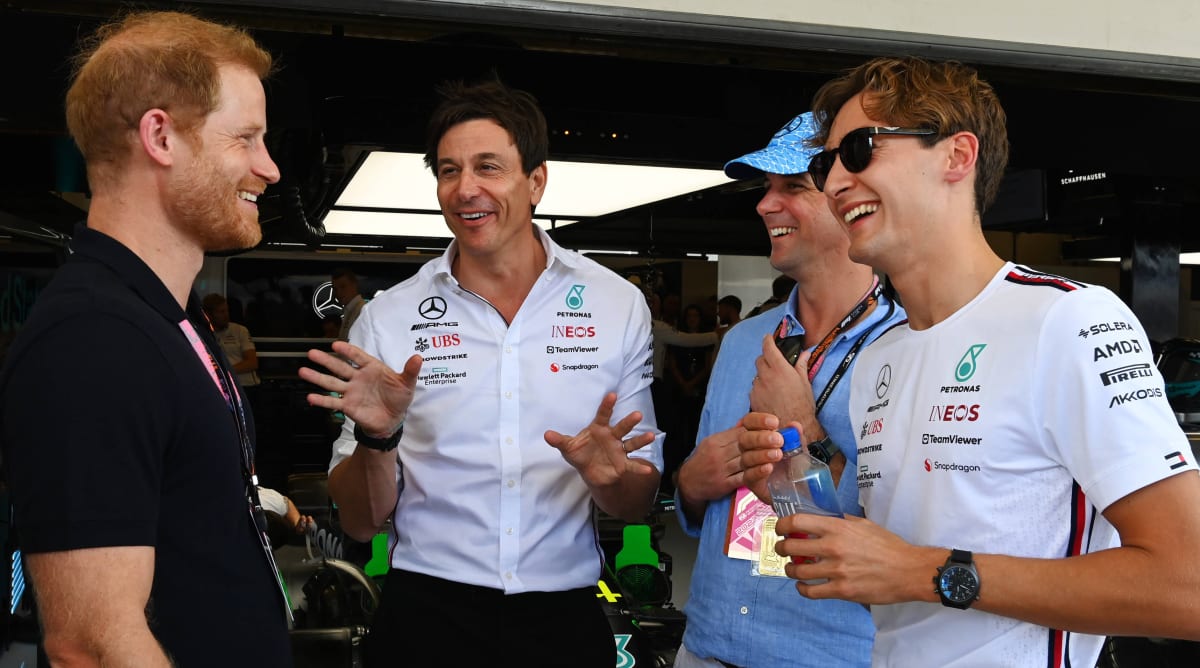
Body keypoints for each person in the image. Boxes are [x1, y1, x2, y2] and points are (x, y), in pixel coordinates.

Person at [738, 56, 1200, 667]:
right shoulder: (881, 359)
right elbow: (884, 567)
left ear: (957, 156)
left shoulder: (1067, 319)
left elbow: (1187, 587)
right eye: (826, 166)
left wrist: (923, 572)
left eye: (858, 150)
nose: (835, 182)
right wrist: (796, 478)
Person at [297, 77, 663, 668]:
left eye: (488, 167)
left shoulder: (616, 304)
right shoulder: (389, 318)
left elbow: (635, 503)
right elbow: (362, 524)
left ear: (536, 181)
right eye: (449, 171)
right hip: (424, 617)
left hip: (564, 618)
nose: (465, 189)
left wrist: (609, 478)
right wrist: (377, 438)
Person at [0, 10, 292, 667]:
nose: (269, 168)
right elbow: (91, 646)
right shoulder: (93, 340)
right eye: (246, 139)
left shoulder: (170, 318)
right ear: (160, 136)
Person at [672, 111, 905, 668]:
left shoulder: (908, 349)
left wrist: (808, 437)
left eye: (793, 187)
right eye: (766, 187)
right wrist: (690, 484)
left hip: (828, 655)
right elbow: (702, 506)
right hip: (707, 644)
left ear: (850, 199)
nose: (764, 205)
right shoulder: (743, 343)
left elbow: (905, 544)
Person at [203, 292, 261, 387]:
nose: (226, 315)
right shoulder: (203, 334)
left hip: (245, 385)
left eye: (227, 311)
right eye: (221, 312)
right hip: (220, 386)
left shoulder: (239, 330)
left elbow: (252, 363)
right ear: (209, 315)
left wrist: (225, 371)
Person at [330, 267, 365, 342]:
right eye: (335, 289)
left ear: (354, 285)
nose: (338, 292)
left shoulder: (362, 310)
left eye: (343, 287)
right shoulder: (350, 310)